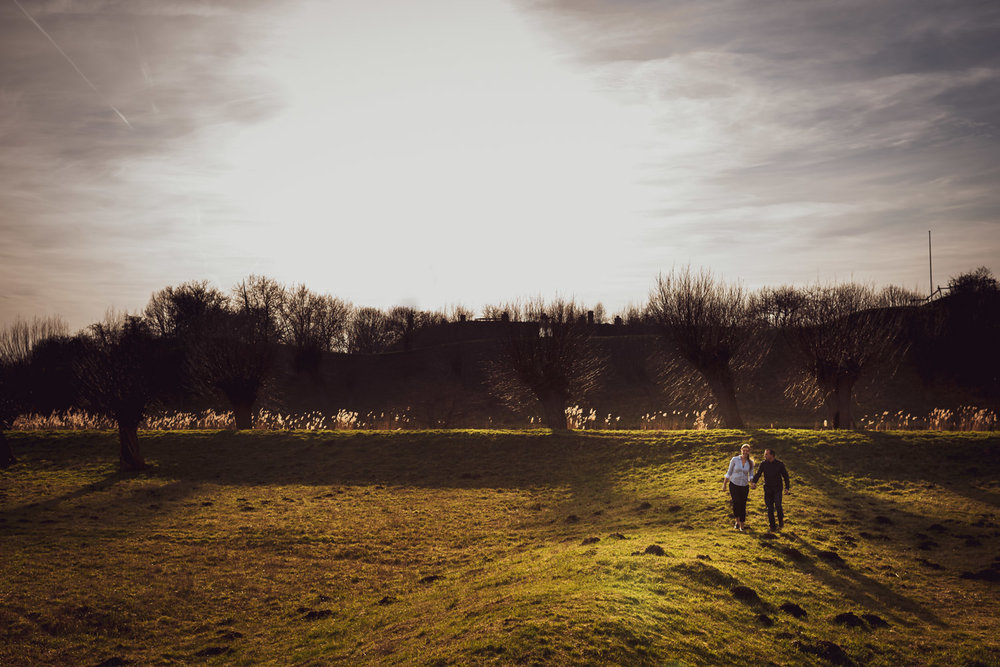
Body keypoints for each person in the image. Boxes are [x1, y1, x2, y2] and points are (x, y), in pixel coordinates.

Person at [751, 448, 791, 531]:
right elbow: (758, 474)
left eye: (766, 454)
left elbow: (785, 476)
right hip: (768, 489)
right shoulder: (763, 464)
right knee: (769, 508)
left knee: (778, 505)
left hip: (777, 489)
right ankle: (772, 526)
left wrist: (787, 487)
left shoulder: (779, 464)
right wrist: (754, 482)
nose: (764, 456)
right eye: (765, 454)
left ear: (772, 455)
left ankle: (781, 521)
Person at [723, 443, 754, 531]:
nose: (745, 452)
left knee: (743, 505)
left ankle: (742, 525)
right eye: (743, 450)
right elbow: (729, 472)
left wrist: (752, 483)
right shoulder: (735, 459)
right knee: (736, 502)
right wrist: (724, 484)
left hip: (744, 486)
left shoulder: (750, 462)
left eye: (747, 451)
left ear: (749, 452)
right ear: (741, 451)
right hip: (734, 484)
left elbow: (751, 475)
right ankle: (737, 521)